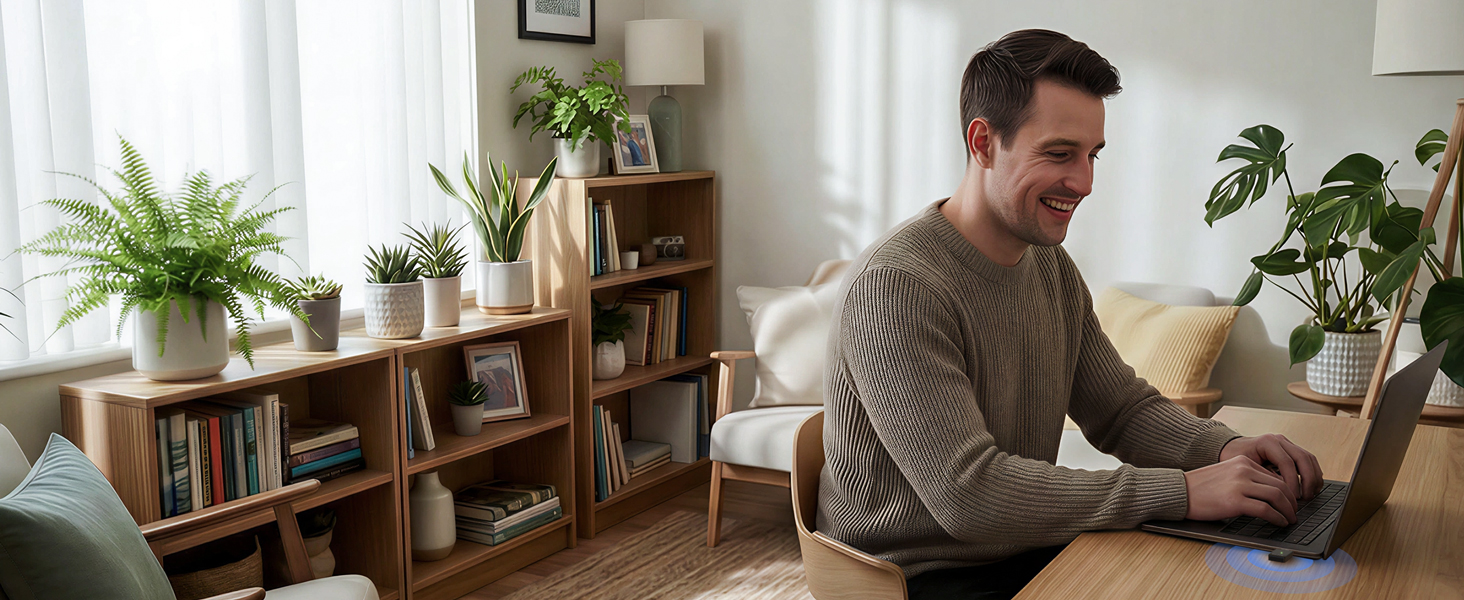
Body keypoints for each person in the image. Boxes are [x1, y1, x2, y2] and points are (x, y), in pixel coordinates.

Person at [817, 29, 1324, 600]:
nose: (1083, 182)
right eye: (1059, 154)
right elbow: (968, 495)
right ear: (983, 143)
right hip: (919, 575)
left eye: (1092, 156)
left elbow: (1121, 411)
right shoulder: (897, 287)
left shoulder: (1049, 267)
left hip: (1020, 546)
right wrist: (1181, 493)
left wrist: (1225, 450)